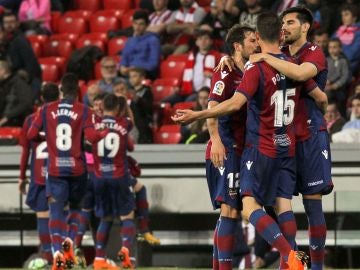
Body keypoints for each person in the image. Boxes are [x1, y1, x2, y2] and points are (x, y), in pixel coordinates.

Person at [173, 12, 328, 270]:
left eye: (254, 40)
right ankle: (291, 263)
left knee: (243, 208)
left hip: (258, 148)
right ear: (279, 35)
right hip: (284, 147)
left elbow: (234, 104)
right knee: (281, 205)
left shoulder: (255, 68)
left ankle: (291, 255)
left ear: (258, 37)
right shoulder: (289, 63)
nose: (254, 45)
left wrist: (197, 115)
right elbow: (319, 96)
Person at [246, 6, 333, 270]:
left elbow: (301, 74)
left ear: (305, 26)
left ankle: (315, 267)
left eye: (292, 22)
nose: (286, 27)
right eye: (283, 23)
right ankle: (291, 262)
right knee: (280, 204)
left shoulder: (313, 52)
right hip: (284, 139)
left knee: (312, 206)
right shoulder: (279, 55)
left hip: (310, 137)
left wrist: (264, 57)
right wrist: (230, 60)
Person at [27, 73, 106, 270]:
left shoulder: (46, 109)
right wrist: (102, 131)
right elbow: (92, 138)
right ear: (78, 92)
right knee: (76, 210)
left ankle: (58, 256)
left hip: (55, 170)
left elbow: (30, 134)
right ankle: (70, 248)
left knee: (55, 211)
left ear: (61, 90)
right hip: (77, 169)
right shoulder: (84, 110)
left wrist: (47, 138)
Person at [205, 24, 258, 270]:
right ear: (238, 46)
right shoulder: (225, 72)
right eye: (251, 40)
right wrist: (216, 140)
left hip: (241, 148)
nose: (256, 44)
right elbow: (212, 108)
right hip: (226, 147)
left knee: (230, 211)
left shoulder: (249, 69)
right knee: (231, 210)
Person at [92, 94, 136, 270]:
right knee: (127, 216)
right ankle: (126, 253)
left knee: (105, 217)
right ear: (118, 109)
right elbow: (132, 120)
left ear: (102, 107)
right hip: (119, 176)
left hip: (100, 176)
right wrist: (125, 104)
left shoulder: (95, 124)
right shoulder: (124, 123)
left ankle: (99, 257)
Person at [18, 83, 59, 266]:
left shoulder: (30, 120)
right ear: (58, 98)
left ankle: (48, 257)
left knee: (42, 216)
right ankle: (63, 256)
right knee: (60, 216)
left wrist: (21, 177)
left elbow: (25, 152)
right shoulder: (62, 119)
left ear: (41, 98)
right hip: (60, 174)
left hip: (38, 175)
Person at [162, 29, 221, 105]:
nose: (203, 41)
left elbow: (223, 74)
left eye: (206, 38)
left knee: (187, 103)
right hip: (186, 90)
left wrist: (212, 75)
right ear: (197, 42)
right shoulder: (192, 55)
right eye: (200, 39)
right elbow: (184, 72)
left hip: (203, 93)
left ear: (211, 41)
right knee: (164, 102)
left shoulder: (216, 56)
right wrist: (178, 86)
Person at [1, 11, 42, 99]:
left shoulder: (20, 41)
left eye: (12, 22)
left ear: (17, 23)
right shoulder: (4, 44)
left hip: (27, 82)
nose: (9, 25)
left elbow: (32, 68)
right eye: (7, 23)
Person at [120, 10, 161, 80]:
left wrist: (136, 68)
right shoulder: (129, 41)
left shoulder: (153, 40)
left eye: (141, 24)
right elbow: (124, 61)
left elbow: (153, 64)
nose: (137, 27)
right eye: (135, 23)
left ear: (147, 25)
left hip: (145, 74)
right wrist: (123, 68)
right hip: (129, 74)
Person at [0, 60, 33, 127]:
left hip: (15, 122)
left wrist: (7, 117)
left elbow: (26, 103)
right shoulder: (3, 84)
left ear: (3, 70)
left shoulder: (20, 84)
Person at [128, 67, 153, 144]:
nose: (131, 79)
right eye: (130, 76)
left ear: (142, 77)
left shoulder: (146, 91)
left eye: (134, 76)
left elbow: (148, 108)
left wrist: (138, 100)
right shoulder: (129, 91)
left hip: (142, 123)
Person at [325, 38, 350, 116]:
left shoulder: (343, 61)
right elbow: (323, 73)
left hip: (339, 89)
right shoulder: (327, 60)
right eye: (330, 47)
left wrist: (335, 86)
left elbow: (345, 77)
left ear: (340, 49)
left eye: (335, 47)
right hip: (326, 85)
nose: (332, 50)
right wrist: (326, 81)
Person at [333, 4, 360, 74]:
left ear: (354, 17)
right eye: (342, 15)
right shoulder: (339, 30)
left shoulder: (358, 32)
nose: (343, 18)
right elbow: (329, 46)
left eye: (346, 15)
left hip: (349, 66)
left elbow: (352, 55)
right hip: (333, 63)